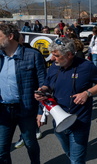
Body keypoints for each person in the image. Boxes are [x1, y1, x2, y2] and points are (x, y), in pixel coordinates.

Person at [35, 37, 97, 163]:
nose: (53, 58)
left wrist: (87, 93)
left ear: (69, 54)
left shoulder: (86, 66)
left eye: (56, 55)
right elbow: (47, 84)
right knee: (70, 153)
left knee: (76, 160)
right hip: (58, 120)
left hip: (80, 120)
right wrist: (42, 91)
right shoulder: (54, 66)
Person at [0, 24, 46, 164]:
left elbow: (43, 83)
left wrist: (40, 111)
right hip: (4, 110)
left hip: (26, 109)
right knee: (2, 150)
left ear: (10, 36)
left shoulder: (32, 55)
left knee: (30, 143)